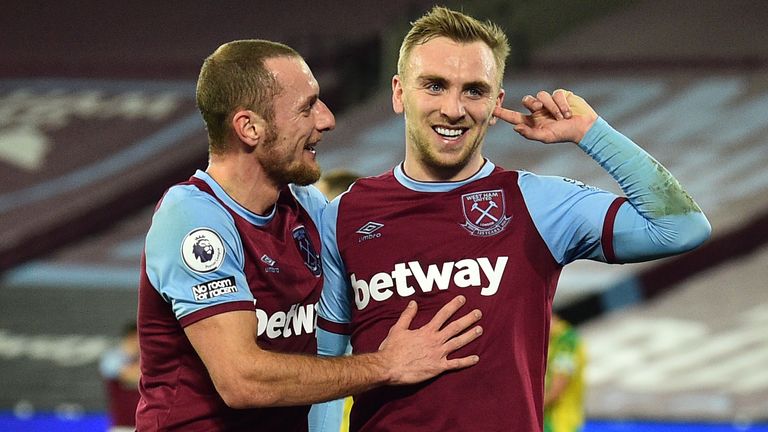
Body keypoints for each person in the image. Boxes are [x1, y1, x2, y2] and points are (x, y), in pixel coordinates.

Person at [315, 6, 711, 432]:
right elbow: (323, 366)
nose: (453, 108)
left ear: (496, 102)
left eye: (474, 91)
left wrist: (591, 134)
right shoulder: (344, 214)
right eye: (434, 86)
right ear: (398, 93)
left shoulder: (537, 204)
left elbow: (682, 228)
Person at [136, 39, 484, 431]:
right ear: (249, 127)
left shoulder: (308, 209)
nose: (327, 119)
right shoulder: (193, 220)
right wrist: (386, 365)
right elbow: (241, 380)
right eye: (307, 107)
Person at [544, 315, 586, 432]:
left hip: (559, 423)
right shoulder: (555, 340)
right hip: (553, 421)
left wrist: (527, 408)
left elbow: (557, 389)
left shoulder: (566, 343)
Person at [99, 322, 141, 432]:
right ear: (130, 338)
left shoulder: (147, 359)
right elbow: (128, 375)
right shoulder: (112, 358)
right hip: (121, 427)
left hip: (145, 425)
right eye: (137, 339)